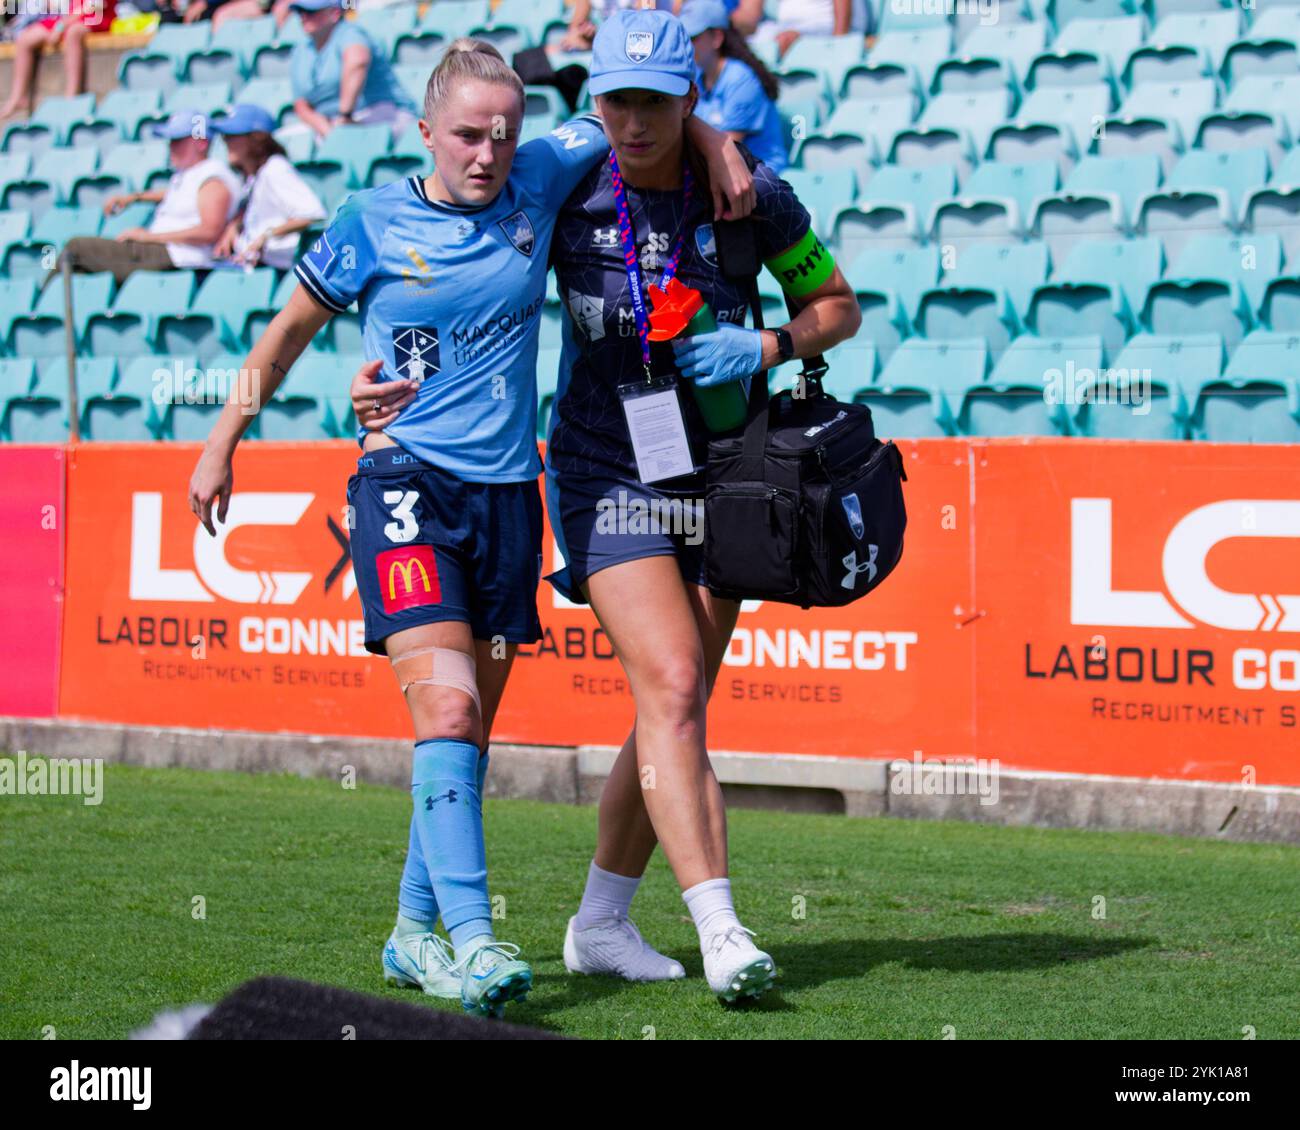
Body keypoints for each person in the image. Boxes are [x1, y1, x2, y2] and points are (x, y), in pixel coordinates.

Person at [189, 39, 752, 1017]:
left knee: (467, 731)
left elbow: (634, 112)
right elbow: (283, 337)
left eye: (503, 132)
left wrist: (709, 132)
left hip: (508, 500)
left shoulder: (542, 168)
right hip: (403, 486)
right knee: (446, 711)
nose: (488, 153)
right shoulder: (369, 221)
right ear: (423, 132)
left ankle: (412, 931)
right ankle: (474, 940)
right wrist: (221, 439)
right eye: (466, 134)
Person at [542, 9, 861, 1003]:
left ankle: (598, 920)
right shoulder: (565, 187)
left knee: (670, 705)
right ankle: (720, 927)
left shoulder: (750, 196)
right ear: (593, 102)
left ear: (690, 98)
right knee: (676, 678)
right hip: (605, 466)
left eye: (655, 101)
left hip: (724, 472)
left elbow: (838, 307)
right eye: (615, 100)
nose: (632, 121)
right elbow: (474, 160)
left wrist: (765, 346)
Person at [62, 111, 241, 285]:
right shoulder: (193, 174)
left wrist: (148, 237)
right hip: (166, 254)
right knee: (79, 272)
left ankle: (39, 309)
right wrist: (134, 198)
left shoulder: (212, 178)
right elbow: (177, 195)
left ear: (201, 143)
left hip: (176, 257)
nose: (171, 146)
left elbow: (209, 232)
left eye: (178, 140)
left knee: (75, 248)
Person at [210, 104, 327, 270]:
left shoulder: (275, 169)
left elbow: (313, 214)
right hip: (250, 264)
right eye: (224, 137)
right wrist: (234, 225)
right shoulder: (255, 175)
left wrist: (266, 235)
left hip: (275, 268)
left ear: (257, 139)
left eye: (233, 135)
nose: (226, 142)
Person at [287, 0, 418, 140]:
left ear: (335, 13)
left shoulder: (350, 33)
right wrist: (325, 128)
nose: (304, 17)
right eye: (300, 12)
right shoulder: (300, 50)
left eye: (311, 12)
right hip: (330, 122)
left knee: (347, 139)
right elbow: (301, 104)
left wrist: (345, 116)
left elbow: (357, 62)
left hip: (382, 113)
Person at [682, 0, 787, 174]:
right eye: (684, 39)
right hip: (727, 174)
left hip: (762, 181)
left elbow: (724, 151)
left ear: (717, 38)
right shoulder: (698, 79)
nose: (687, 47)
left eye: (693, 38)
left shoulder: (741, 79)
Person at [0, 0, 117, 121]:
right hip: (69, 19)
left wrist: (61, 26)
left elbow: (94, 6)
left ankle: (72, 96)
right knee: (26, 38)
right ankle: (18, 97)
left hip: (97, 17)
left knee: (73, 33)